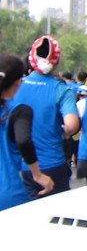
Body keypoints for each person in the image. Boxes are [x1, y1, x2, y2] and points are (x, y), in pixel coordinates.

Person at [11, 35, 80, 196]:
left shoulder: (15, 87)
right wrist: (64, 131)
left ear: (31, 57)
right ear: (56, 62)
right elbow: (72, 125)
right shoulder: (61, 90)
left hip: (20, 166)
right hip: (53, 165)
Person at [0, 54, 54, 210]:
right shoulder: (19, 111)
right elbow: (23, 140)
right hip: (8, 193)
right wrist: (37, 174)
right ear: (18, 82)